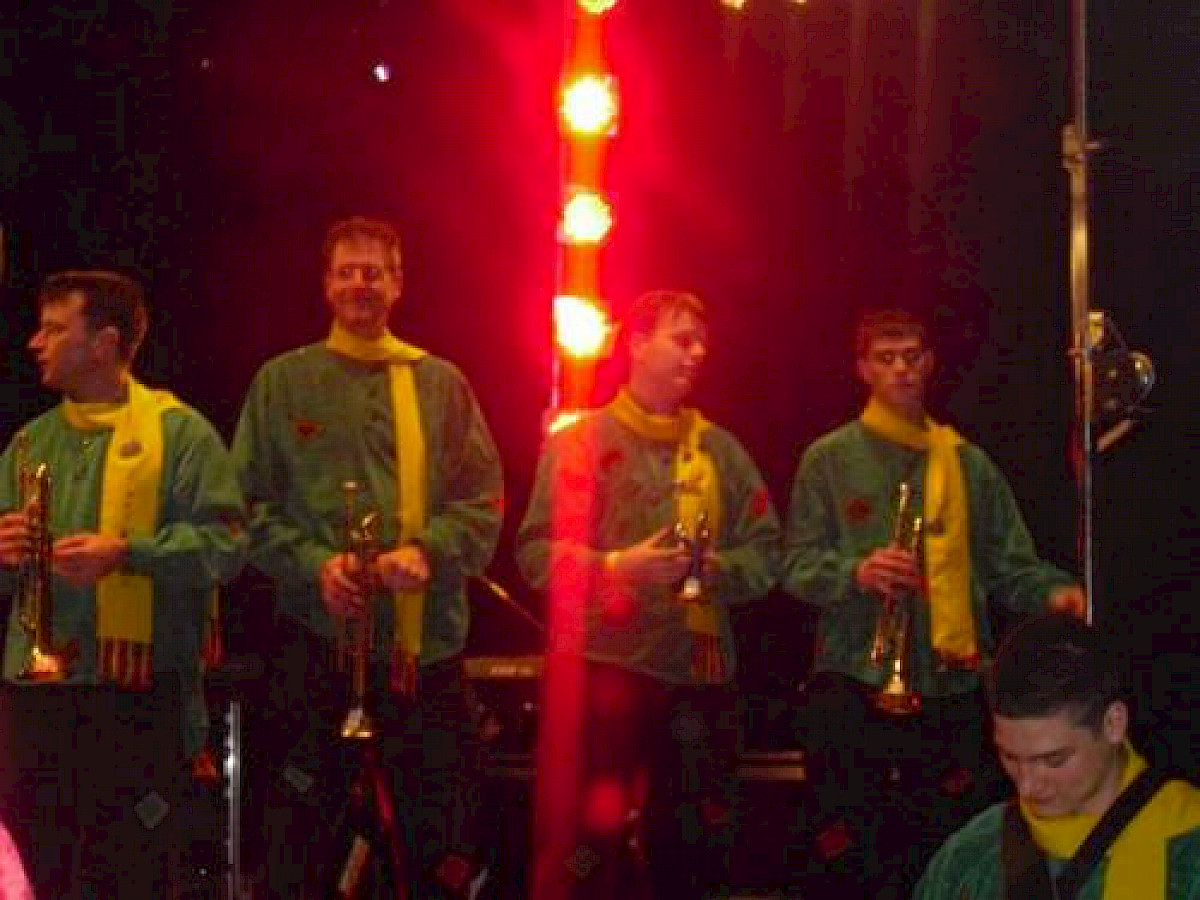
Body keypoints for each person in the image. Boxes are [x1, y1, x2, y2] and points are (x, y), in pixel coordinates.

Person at [231, 215, 504, 898]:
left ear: (398, 284)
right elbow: (243, 508)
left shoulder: (441, 383)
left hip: (423, 653)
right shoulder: (282, 382)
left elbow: (483, 500)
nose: (360, 284)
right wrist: (313, 565)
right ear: (326, 285)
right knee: (298, 839)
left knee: (438, 839)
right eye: (346, 272)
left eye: (373, 272)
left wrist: (428, 552)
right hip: (314, 647)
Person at [781, 308, 1085, 897]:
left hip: (952, 682)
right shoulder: (829, 458)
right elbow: (793, 566)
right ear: (863, 369)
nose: (901, 369)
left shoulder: (968, 462)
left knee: (948, 845)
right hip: (855, 675)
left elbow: (1010, 566)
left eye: (912, 357)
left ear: (929, 364)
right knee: (849, 848)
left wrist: (1057, 593)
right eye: (886, 358)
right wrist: (856, 571)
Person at [516, 289, 781, 899]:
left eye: (702, 342)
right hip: (604, 676)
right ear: (636, 344)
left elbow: (769, 555)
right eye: (681, 339)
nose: (698, 353)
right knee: (588, 853)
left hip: (698, 678)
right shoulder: (581, 442)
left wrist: (715, 570)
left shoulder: (720, 451)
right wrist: (617, 566)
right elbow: (534, 555)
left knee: (694, 852)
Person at [0, 270, 247, 896]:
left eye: (54, 329)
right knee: (39, 870)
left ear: (104, 343)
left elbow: (227, 547)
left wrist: (128, 555)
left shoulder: (180, 433)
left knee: (133, 873)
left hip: (139, 696)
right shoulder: (29, 443)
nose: (34, 342)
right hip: (39, 702)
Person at [914, 611, 1200, 899]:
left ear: (1113, 724)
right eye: (1010, 757)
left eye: (1053, 761)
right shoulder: (970, 857)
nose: (1027, 787)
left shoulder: (1188, 852)